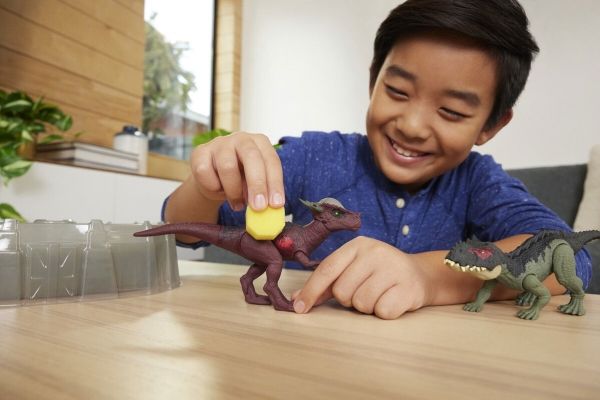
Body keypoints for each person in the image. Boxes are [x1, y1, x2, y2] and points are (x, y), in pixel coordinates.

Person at [163, 0, 592, 319]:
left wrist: (428, 277)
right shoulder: (316, 155)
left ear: (491, 125)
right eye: (398, 91)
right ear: (374, 80)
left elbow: (571, 257)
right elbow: (184, 230)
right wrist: (207, 183)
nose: (412, 125)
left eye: (451, 112)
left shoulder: (478, 182)